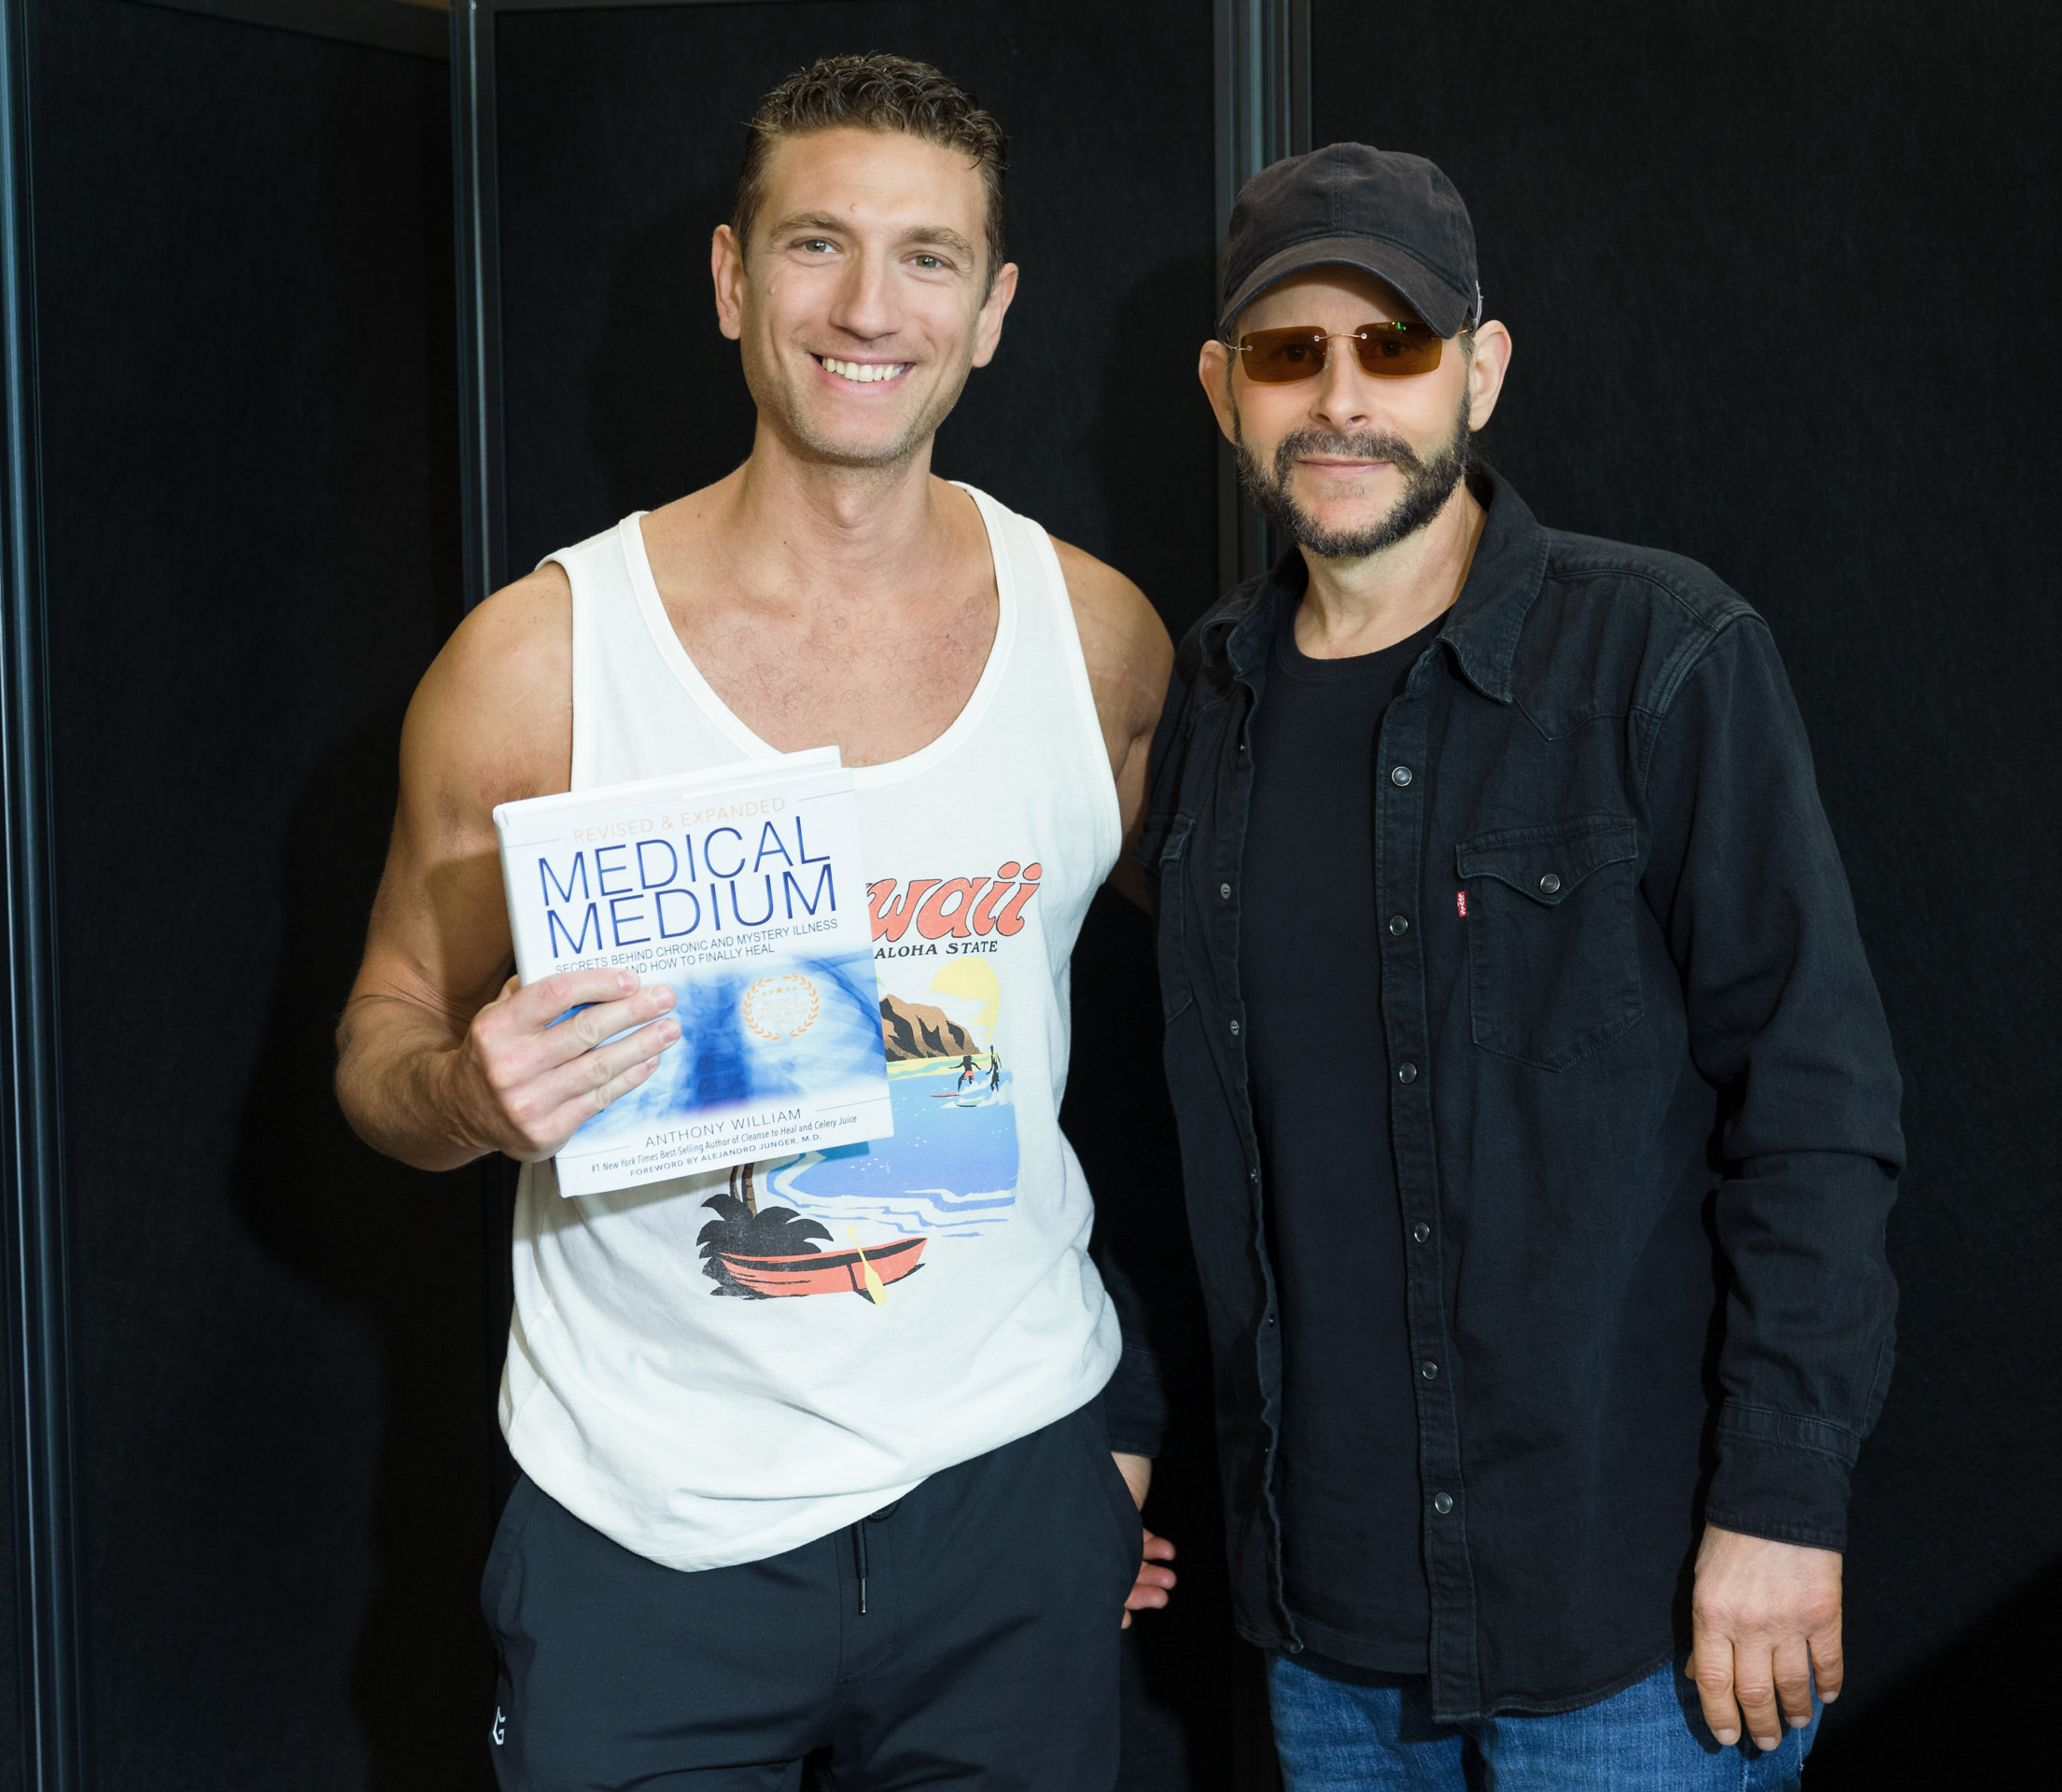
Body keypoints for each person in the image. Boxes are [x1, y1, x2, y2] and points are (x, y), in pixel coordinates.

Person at [334, 54, 1178, 1790]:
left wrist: (1130, 1418)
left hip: (1009, 1500)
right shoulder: (540, 662)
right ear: (732, 280)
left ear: (993, 312)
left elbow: (1240, 1048)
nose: (869, 308)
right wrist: (470, 1096)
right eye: (816, 244)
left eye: (929, 258)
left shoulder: (1098, 644)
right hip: (644, 1522)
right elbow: (379, 1045)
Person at [1139, 144, 1904, 1786]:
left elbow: (1817, 1111)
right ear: (1223, 391)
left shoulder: (1663, 653)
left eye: (1395, 344)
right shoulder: (1210, 697)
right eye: (1289, 352)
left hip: (1630, 1624)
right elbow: (1166, 1138)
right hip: (1323, 1629)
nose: (1342, 397)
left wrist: (1783, 1503)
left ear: (1480, 370)